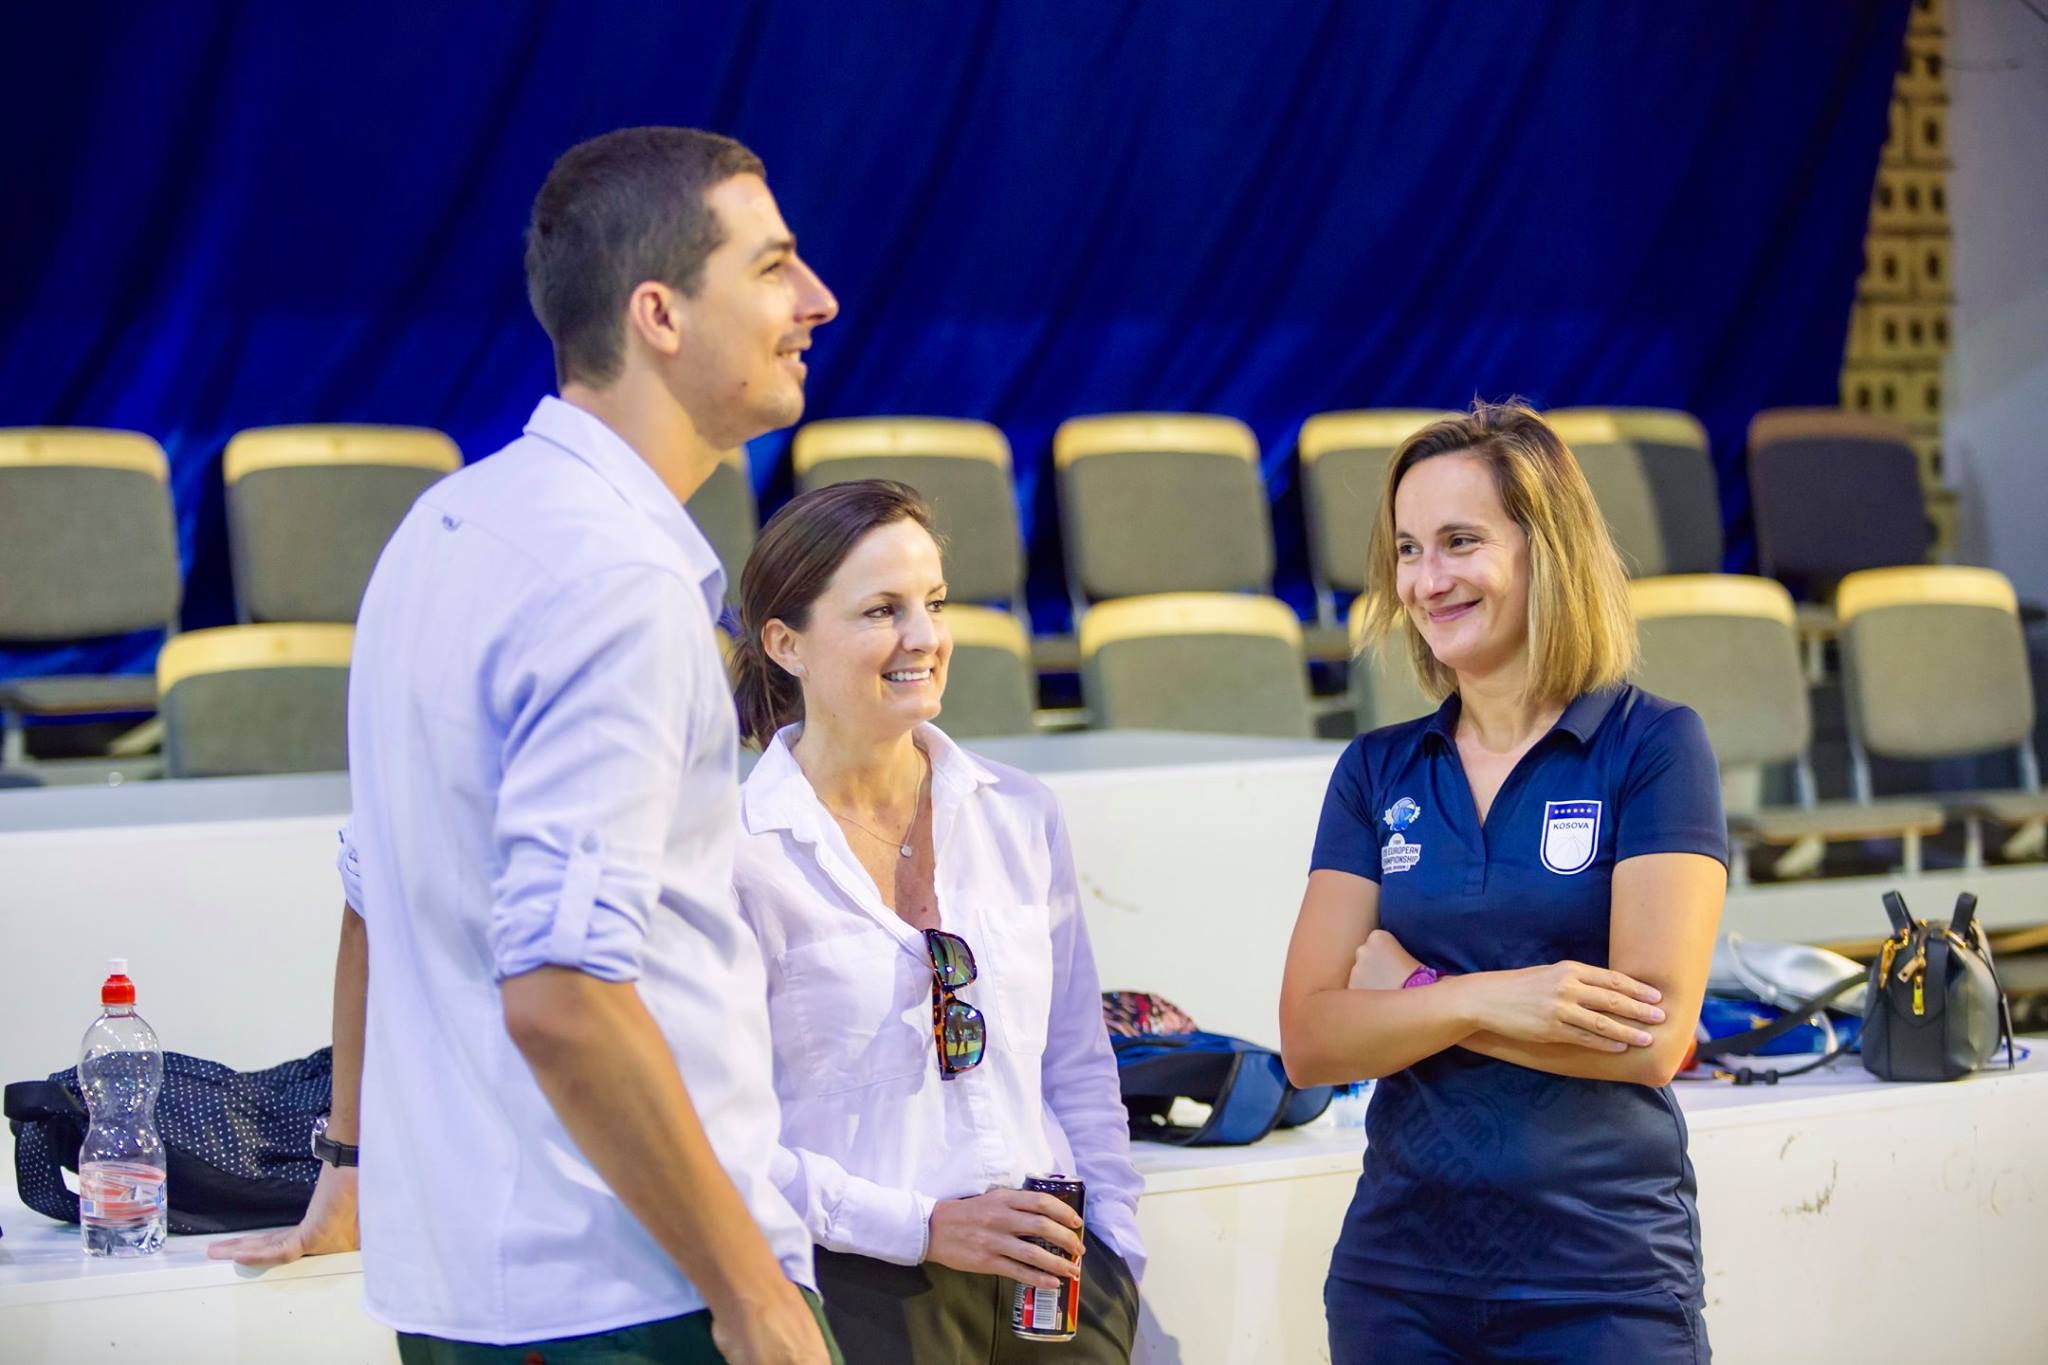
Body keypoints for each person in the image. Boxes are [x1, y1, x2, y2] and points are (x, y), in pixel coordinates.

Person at [211, 126, 844, 1365]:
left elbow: (374, 891)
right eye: (772, 267)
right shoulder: (612, 577)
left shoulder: (445, 527)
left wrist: (349, 1160)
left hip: (474, 1295)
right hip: (632, 1293)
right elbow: (562, 998)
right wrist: (754, 1296)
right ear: (658, 312)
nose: (816, 299)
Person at [1278, 402, 1727, 1364]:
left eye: (1459, 542)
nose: (1426, 580)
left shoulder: (1650, 745)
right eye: (1406, 549)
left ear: (1545, 550)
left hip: (1602, 1282)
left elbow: (1651, 1040)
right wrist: (1504, 997)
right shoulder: (1376, 769)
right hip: (1399, 1281)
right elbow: (1311, 1041)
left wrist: (1411, 994)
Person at [726, 479, 1145, 1363]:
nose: (925, 637)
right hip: (855, 1294)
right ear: (785, 642)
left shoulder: (1020, 812)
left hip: (1055, 1289)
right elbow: (720, 1133)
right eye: (882, 609)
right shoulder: (735, 855)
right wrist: (921, 1228)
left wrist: (1116, 1256)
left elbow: (1076, 1061)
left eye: (936, 603)